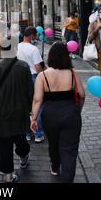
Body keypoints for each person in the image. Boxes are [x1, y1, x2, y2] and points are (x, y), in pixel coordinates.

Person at [31, 42, 85, 182]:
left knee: (53, 144)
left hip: (50, 115)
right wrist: (78, 110)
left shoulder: (42, 76)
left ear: (51, 57)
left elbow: (37, 100)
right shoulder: (72, 73)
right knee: (69, 150)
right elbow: (82, 94)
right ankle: (68, 178)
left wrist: (33, 118)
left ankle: (55, 167)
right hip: (70, 114)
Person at [0, 37, 33, 183]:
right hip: (20, 111)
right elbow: (29, 91)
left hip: (0, 112)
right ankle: (24, 156)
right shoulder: (24, 67)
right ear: (15, 49)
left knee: (3, 145)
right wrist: (30, 109)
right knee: (21, 139)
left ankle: (7, 176)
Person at [17, 27, 45, 143]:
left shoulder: (17, 47)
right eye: (36, 35)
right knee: (38, 105)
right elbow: (38, 66)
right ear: (32, 36)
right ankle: (38, 134)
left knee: (25, 106)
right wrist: (42, 78)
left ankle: (27, 133)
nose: (37, 37)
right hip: (33, 77)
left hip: (20, 78)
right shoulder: (33, 49)